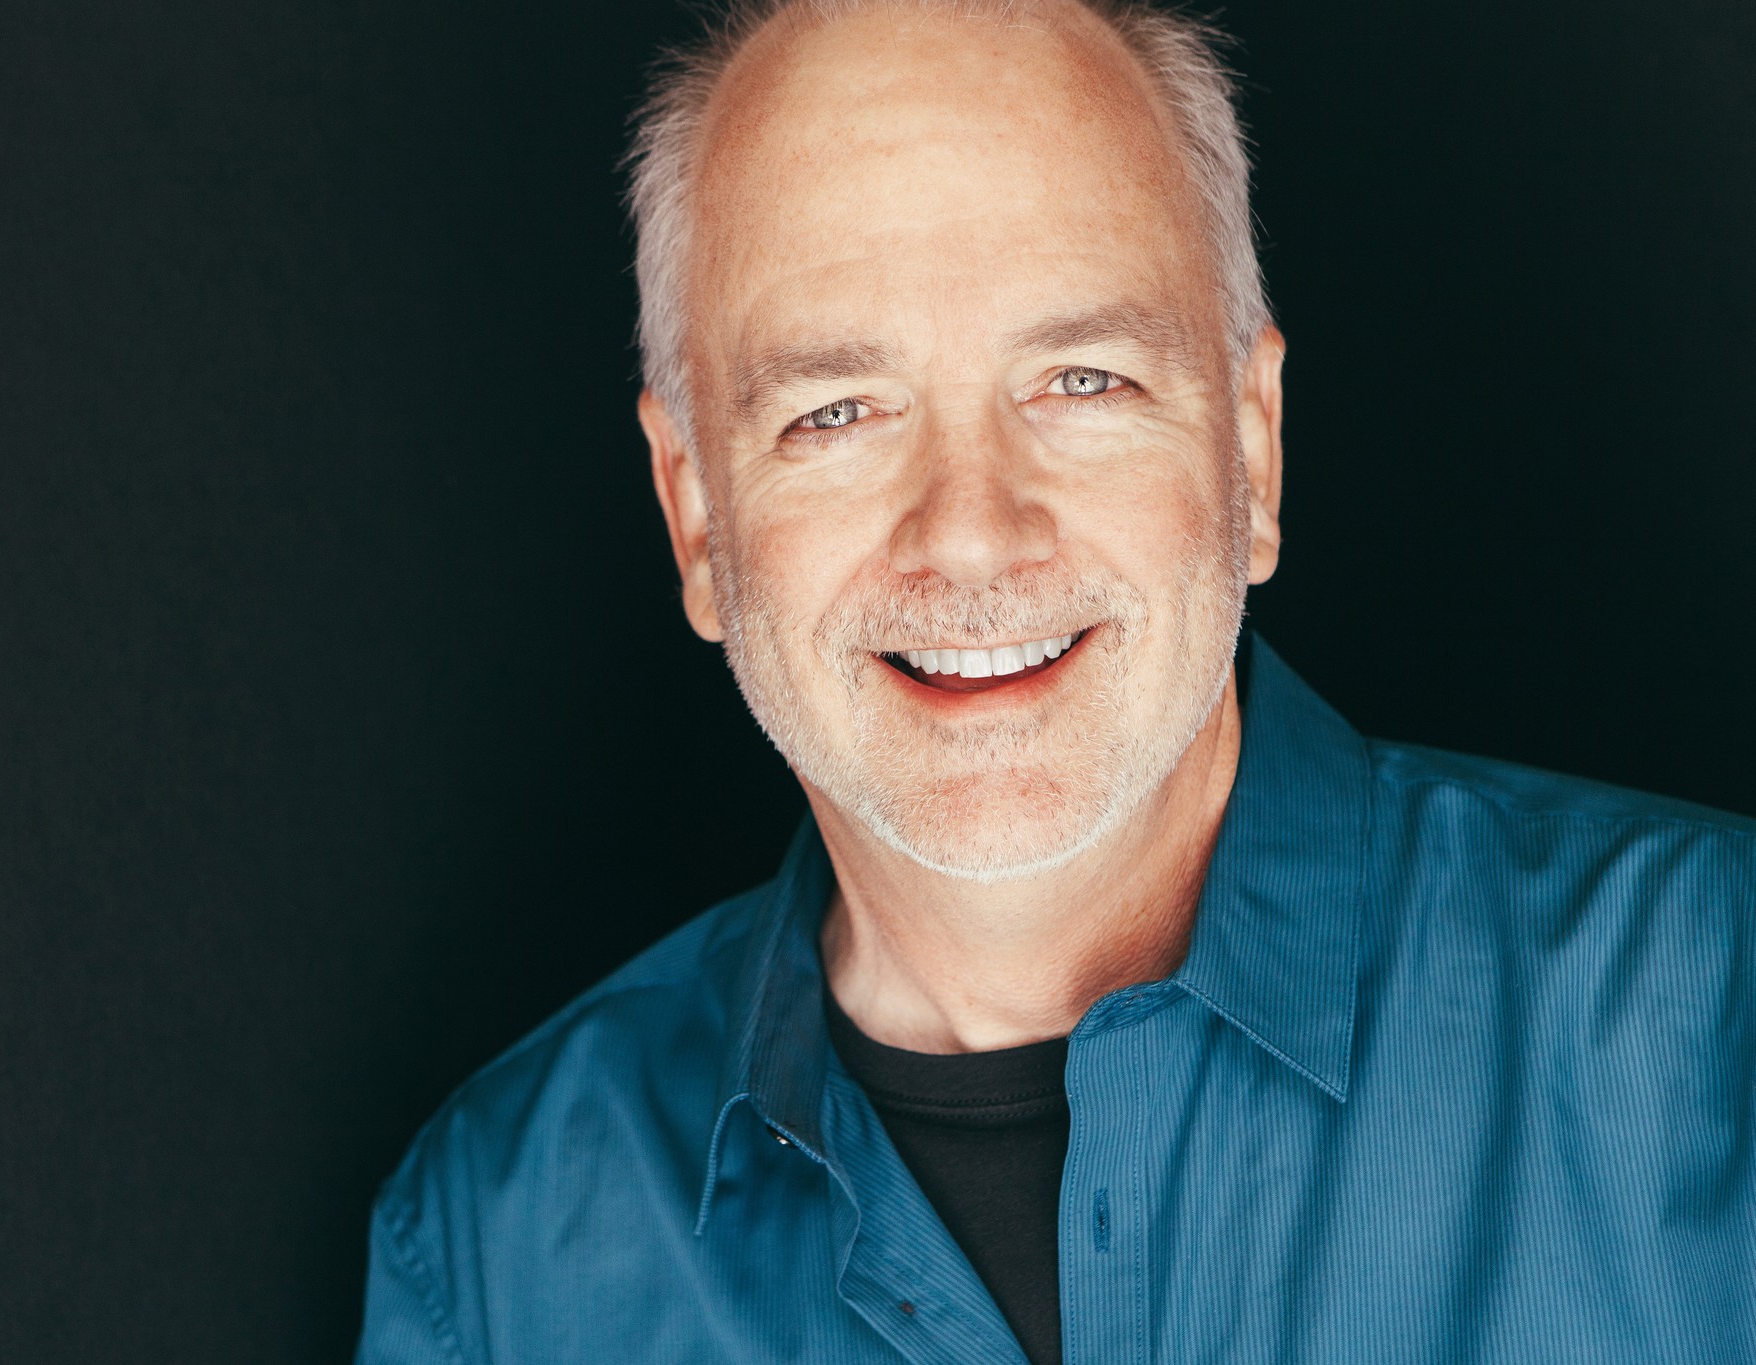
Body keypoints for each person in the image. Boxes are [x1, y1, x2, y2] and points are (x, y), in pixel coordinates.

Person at [355, 1, 1755, 1360]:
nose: (971, 529)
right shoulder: (495, 1258)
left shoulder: (1718, 1020)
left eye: (1082, 380)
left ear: (1253, 451)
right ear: (700, 518)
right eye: (835, 412)